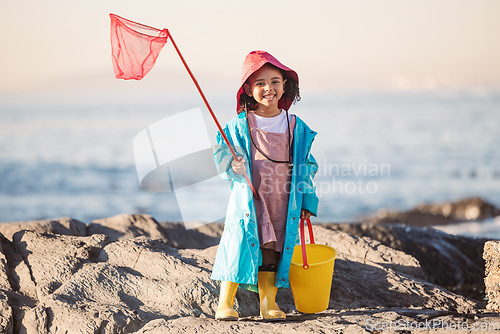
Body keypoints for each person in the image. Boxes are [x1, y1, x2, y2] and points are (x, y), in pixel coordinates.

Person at [211, 50, 319, 321]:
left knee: (274, 248)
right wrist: (231, 165)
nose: (268, 88)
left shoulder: (295, 126)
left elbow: (306, 166)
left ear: (285, 85)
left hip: (282, 199)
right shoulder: (239, 125)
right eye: (259, 83)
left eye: (274, 81)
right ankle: (225, 302)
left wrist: (307, 201)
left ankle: (268, 302)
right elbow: (222, 153)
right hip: (250, 196)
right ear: (248, 89)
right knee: (239, 245)